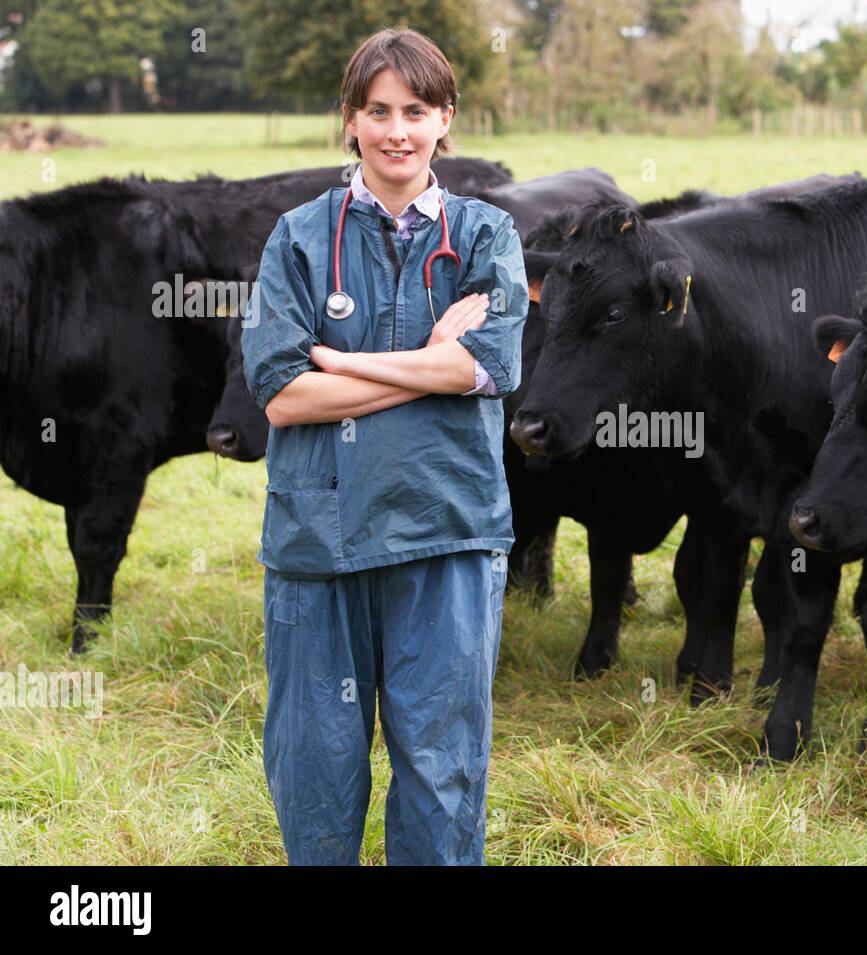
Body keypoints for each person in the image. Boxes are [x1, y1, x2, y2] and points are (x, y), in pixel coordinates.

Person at [241, 27, 527, 865]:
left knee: (442, 767)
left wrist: (348, 363)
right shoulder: (297, 237)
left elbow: (492, 364)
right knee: (315, 766)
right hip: (317, 537)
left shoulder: (485, 236)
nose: (396, 130)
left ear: (446, 119)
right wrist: (433, 366)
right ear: (351, 120)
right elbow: (285, 396)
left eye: (416, 110)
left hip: (448, 526)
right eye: (378, 110)